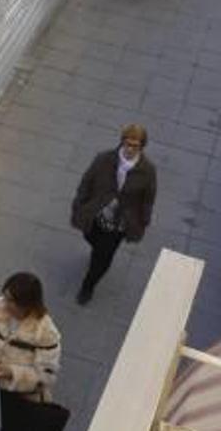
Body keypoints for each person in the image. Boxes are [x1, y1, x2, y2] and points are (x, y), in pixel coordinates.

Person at [70, 124, 158, 305]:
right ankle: (96, 252)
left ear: (142, 146)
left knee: (103, 258)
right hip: (96, 214)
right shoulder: (104, 159)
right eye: (128, 144)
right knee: (90, 237)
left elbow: (148, 198)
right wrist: (80, 203)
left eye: (135, 146)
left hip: (120, 222)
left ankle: (88, 286)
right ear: (122, 142)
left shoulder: (147, 171)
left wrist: (144, 220)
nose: (130, 149)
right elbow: (87, 182)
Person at [0, 272, 63, 430]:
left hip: (20, 402)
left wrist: (11, 372)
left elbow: (45, 377)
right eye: (5, 296)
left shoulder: (46, 332)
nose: (5, 303)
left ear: (27, 303)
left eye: (12, 301)